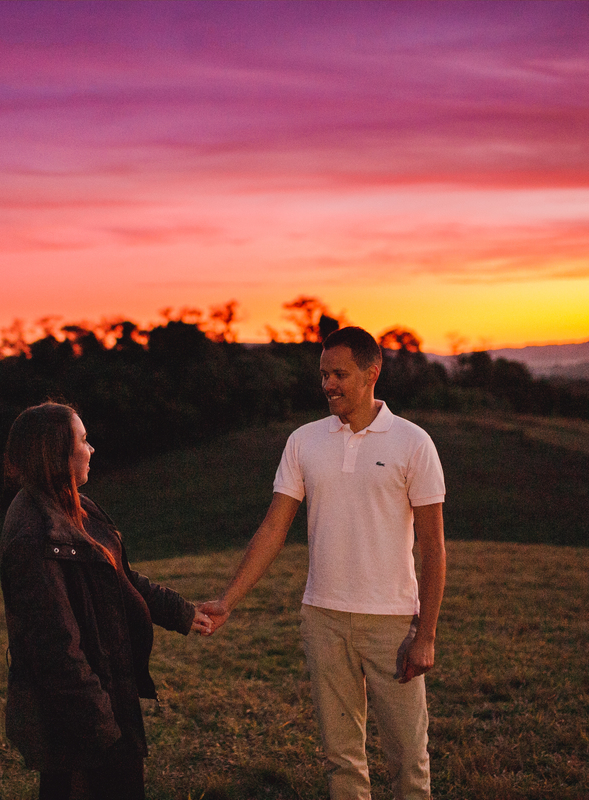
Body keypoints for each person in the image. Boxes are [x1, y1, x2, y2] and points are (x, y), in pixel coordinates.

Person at [199, 326, 447, 800]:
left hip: (391, 623)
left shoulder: (413, 443)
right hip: (323, 619)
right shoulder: (304, 441)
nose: (328, 384)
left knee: (409, 759)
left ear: (373, 373)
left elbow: (432, 547)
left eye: (339, 374)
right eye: (323, 374)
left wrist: (426, 634)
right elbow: (273, 529)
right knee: (341, 759)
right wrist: (229, 600)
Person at [1, 402, 212, 800]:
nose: (92, 449)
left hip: (109, 696)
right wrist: (103, 729)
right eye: (83, 440)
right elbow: (57, 652)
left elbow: (122, 577)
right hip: (80, 722)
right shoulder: (33, 535)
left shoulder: (75, 506)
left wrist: (182, 613)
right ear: (56, 453)